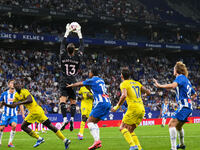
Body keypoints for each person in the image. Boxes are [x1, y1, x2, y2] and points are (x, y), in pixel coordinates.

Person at [2, 80, 71, 149]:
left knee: (23, 126)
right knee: (51, 126)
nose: (18, 85)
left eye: (19, 84)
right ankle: (65, 140)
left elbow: (30, 100)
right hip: (38, 112)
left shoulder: (25, 91)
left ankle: (39, 138)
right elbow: (13, 105)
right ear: (14, 86)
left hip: (35, 112)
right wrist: (5, 104)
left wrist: (19, 103)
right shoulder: (16, 95)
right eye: (16, 84)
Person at [153, 61, 197, 150]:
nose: (173, 70)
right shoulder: (186, 80)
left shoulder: (180, 77)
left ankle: (173, 148)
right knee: (178, 126)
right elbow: (194, 94)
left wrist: (160, 85)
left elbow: (173, 85)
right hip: (187, 106)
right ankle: (181, 145)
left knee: (171, 124)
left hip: (184, 107)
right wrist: (188, 100)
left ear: (177, 70)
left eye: (174, 68)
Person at [67, 67, 111, 150]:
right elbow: (91, 88)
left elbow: (80, 83)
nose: (88, 74)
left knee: (89, 121)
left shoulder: (92, 79)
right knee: (94, 122)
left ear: (92, 73)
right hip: (107, 102)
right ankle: (97, 142)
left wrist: (71, 85)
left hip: (100, 103)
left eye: (89, 72)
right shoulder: (101, 80)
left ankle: (96, 141)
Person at [112, 68, 151, 150]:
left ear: (122, 76)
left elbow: (124, 95)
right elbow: (148, 92)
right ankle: (139, 148)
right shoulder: (137, 83)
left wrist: (117, 106)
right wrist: (142, 97)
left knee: (122, 127)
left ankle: (133, 145)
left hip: (133, 107)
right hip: (141, 107)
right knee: (130, 130)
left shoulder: (124, 83)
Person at [59, 23, 84, 131]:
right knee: (73, 102)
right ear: (75, 50)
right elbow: (82, 45)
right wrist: (79, 32)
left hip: (64, 79)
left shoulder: (62, 55)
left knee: (62, 101)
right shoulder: (78, 57)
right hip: (73, 80)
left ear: (67, 49)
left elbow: (62, 43)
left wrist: (67, 32)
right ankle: (72, 118)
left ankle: (65, 119)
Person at [0, 80, 25, 147]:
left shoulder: (17, 94)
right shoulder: (4, 94)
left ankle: (10, 143)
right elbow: (0, 103)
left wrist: (23, 114)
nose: (13, 84)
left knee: (14, 126)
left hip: (14, 115)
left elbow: (21, 105)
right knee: (1, 128)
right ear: (8, 85)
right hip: (5, 114)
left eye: (14, 83)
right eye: (11, 83)